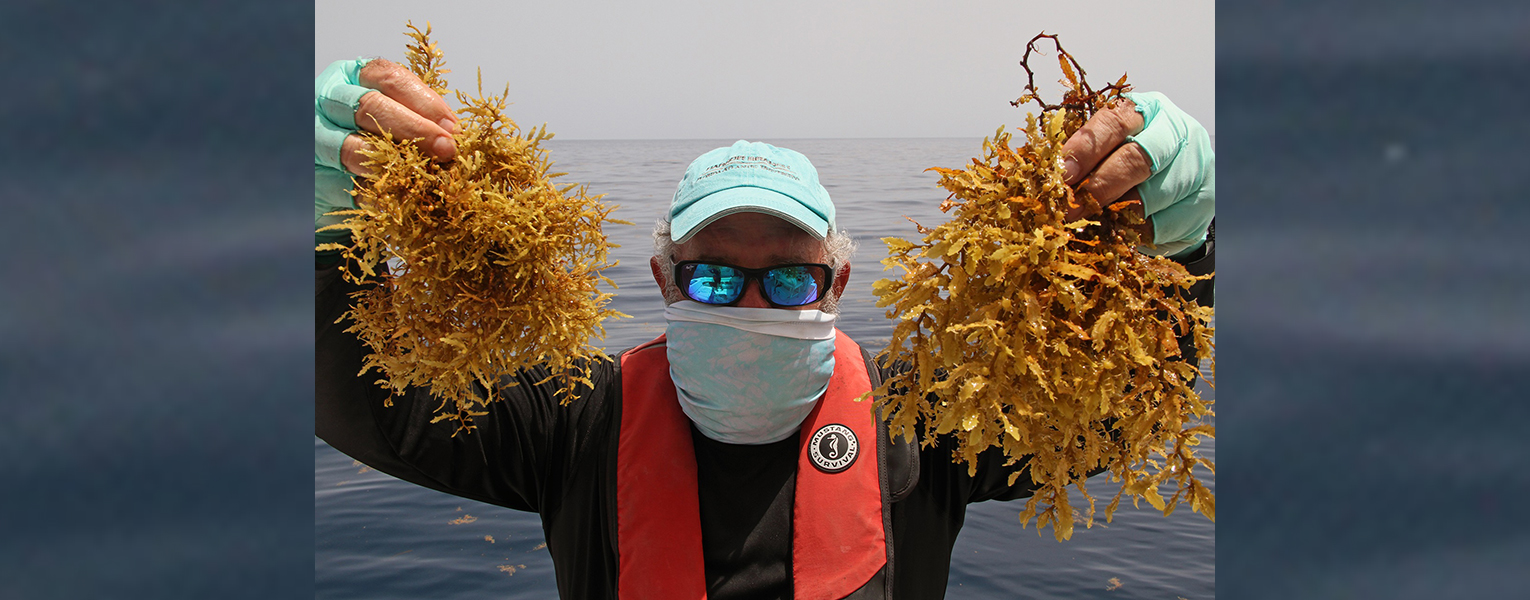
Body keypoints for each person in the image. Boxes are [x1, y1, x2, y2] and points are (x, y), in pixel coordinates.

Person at [316, 57, 1214, 600]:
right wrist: (322, 225)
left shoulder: (932, 424)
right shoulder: (571, 423)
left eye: (788, 279)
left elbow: (1121, 403)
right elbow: (360, 402)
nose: (749, 306)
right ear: (664, 280)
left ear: (840, 282)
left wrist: (1186, 249)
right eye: (711, 275)